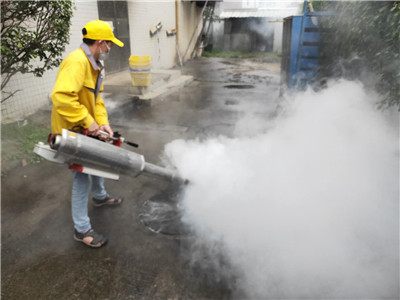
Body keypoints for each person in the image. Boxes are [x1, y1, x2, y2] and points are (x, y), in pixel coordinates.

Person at [51, 20, 124, 248]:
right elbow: (62, 97)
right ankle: (82, 229)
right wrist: (88, 122)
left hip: (86, 127)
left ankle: (100, 197)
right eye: (110, 44)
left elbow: (97, 100)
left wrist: (102, 124)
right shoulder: (77, 62)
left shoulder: (94, 64)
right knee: (81, 175)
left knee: (99, 157)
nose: (110, 48)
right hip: (72, 130)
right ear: (100, 42)